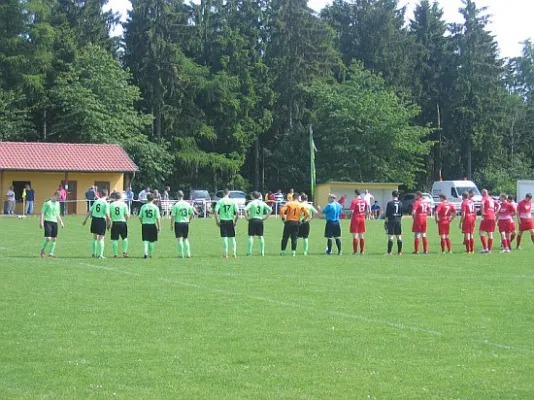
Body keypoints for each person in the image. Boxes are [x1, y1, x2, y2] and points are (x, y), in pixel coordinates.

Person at [83, 189, 111, 259]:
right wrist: (109, 221)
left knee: (95, 237)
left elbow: (90, 211)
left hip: (94, 219)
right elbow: (107, 214)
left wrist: (85, 220)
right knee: (101, 238)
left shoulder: (96, 201)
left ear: (100, 194)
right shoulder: (105, 203)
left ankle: (93, 253)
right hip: (101, 220)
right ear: (107, 195)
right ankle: (101, 255)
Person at [244, 191, 272, 256]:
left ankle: (249, 252)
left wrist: (246, 218)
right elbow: (270, 210)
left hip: (252, 220)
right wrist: (265, 217)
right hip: (260, 220)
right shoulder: (262, 203)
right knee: (261, 236)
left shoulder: (251, 203)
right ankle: (262, 252)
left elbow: (245, 209)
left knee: (251, 236)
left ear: (252, 196)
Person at [170, 190, 195, 258]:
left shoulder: (176, 205)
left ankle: (181, 254)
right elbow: (192, 214)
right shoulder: (187, 204)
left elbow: (173, 216)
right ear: (183, 196)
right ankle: (188, 254)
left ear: (177, 196)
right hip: (185, 223)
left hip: (178, 223)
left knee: (179, 239)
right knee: (185, 238)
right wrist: (189, 220)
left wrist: (171, 224)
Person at [214, 189, 239, 258]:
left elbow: (216, 212)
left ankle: (225, 254)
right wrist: (235, 222)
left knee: (224, 238)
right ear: (229, 193)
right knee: (232, 238)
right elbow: (237, 213)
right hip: (230, 221)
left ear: (223, 193)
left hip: (223, 221)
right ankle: (234, 253)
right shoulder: (233, 201)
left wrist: (217, 221)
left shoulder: (220, 201)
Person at [39, 192, 64, 258]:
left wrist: (61, 222)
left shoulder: (58, 204)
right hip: (47, 221)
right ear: (55, 195)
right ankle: (42, 250)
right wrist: (41, 222)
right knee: (48, 238)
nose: (59, 199)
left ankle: (51, 253)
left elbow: (57, 214)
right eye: (58, 197)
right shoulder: (47, 203)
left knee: (54, 239)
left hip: (54, 222)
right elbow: (42, 212)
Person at [139, 193, 161, 258]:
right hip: (152, 225)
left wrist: (142, 222)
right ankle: (150, 254)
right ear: (153, 199)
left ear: (147, 198)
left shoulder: (143, 207)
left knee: (145, 240)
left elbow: (140, 217)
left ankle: (145, 253)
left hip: (145, 225)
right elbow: (158, 218)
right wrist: (159, 226)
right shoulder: (155, 207)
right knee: (152, 240)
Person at [110, 192, 130, 258]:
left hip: (115, 222)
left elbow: (109, 214)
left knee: (114, 239)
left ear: (115, 198)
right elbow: (127, 215)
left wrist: (109, 223)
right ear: (120, 198)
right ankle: (125, 252)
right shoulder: (124, 205)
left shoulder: (111, 205)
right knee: (124, 238)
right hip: (122, 222)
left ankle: (115, 254)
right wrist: (126, 220)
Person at [479, 189, 499, 253]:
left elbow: (482, 204)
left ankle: (485, 248)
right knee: (490, 233)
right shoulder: (492, 199)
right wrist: (495, 213)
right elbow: (499, 205)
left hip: (486, 216)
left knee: (481, 232)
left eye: (481, 193)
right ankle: (489, 249)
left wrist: (482, 212)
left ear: (483, 193)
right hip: (492, 217)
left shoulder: (484, 198)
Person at [350, 189, 368, 255]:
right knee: (362, 235)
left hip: (356, 218)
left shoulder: (354, 201)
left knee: (355, 235)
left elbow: (352, 211)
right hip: (362, 218)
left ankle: (355, 251)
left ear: (355, 194)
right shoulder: (364, 201)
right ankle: (362, 251)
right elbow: (366, 211)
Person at [385, 190, 403, 256]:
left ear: (392, 195)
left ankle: (389, 252)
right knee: (399, 236)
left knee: (391, 236)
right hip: (398, 220)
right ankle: (400, 252)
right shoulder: (401, 203)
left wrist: (386, 223)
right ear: (398, 196)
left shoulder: (389, 203)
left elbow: (387, 215)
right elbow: (401, 214)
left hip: (391, 221)